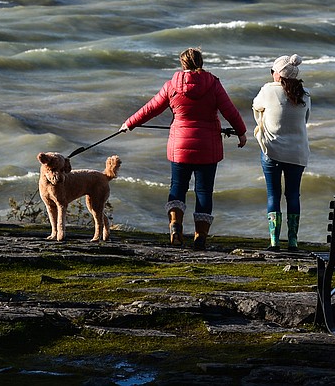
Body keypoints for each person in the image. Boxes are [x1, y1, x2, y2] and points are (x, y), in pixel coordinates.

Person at [120, 47, 248, 250]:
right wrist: (241, 132)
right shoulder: (213, 84)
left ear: (183, 64)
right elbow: (230, 111)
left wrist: (129, 123)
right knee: (204, 191)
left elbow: (151, 108)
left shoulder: (172, 85)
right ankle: (200, 237)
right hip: (208, 147)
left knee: (177, 187)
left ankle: (175, 227)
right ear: (201, 62)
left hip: (180, 145)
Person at [252, 53, 310, 251]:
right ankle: (293, 242)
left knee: (273, 195)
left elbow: (256, 106)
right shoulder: (306, 95)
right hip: (298, 153)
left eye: (272, 71)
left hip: (272, 150)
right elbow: (306, 120)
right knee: (293, 195)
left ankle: (274, 242)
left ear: (278, 74)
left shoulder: (269, 90)